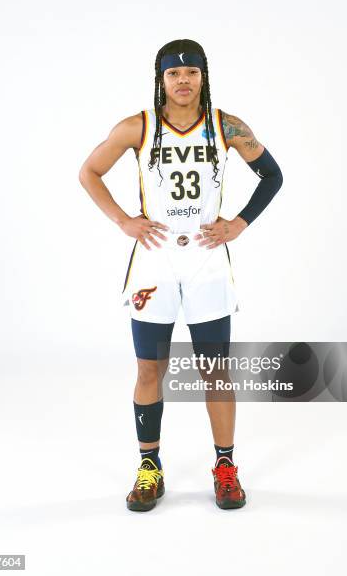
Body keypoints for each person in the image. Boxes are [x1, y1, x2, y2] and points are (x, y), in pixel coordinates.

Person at [79, 38, 283, 511]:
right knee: (150, 368)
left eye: (191, 73)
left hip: (207, 262)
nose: (183, 80)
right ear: (161, 79)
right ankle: (149, 467)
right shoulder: (137, 127)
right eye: (174, 73)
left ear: (203, 77)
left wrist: (239, 223)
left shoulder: (226, 126)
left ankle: (226, 466)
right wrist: (124, 220)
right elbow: (90, 171)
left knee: (215, 371)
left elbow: (272, 175)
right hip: (155, 262)